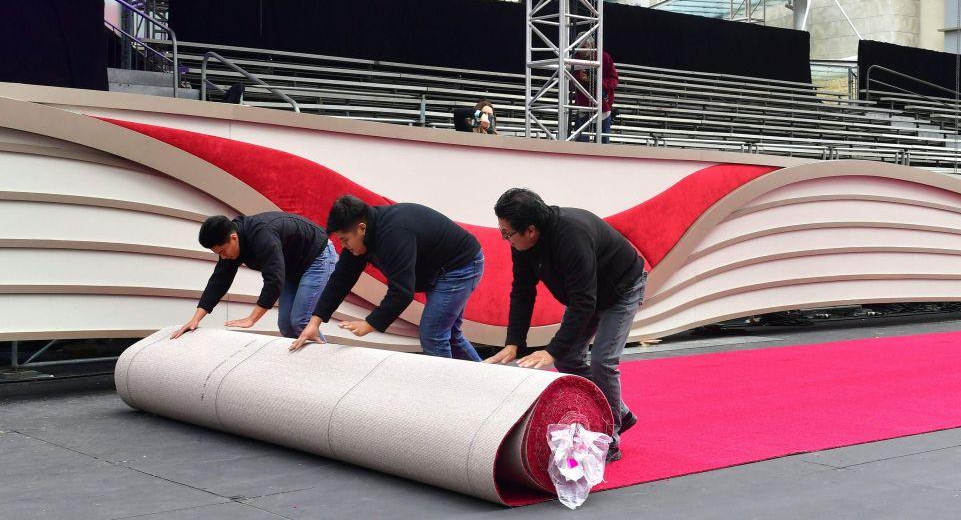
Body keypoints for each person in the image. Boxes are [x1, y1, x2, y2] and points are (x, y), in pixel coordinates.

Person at [485, 188, 645, 462]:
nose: (505, 239)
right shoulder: (522, 245)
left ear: (531, 230)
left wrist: (551, 350)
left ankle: (610, 439)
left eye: (507, 233)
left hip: (622, 289)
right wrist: (514, 343)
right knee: (569, 358)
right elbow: (523, 291)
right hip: (589, 294)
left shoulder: (571, 236)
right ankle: (620, 412)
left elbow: (583, 301)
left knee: (603, 360)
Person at [290, 195, 484, 360]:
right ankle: (486, 384)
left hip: (460, 266)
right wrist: (314, 322)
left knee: (433, 334)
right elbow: (340, 279)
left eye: (344, 239)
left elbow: (402, 292)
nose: (343, 245)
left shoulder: (393, 234)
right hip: (440, 266)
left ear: (361, 228)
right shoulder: (361, 238)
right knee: (449, 335)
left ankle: (446, 396)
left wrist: (370, 324)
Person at [172, 213, 337, 340]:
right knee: (286, 325)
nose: (222, 257)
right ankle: (303, 369)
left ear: (233, 238)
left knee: (301, 321)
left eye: (222, 251)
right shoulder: (232, 244)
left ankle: (328, 369)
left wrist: (252, 319)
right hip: (294, 267)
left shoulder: (262, 235)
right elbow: (219, 281)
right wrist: (196, 319)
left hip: (318, 257)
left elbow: (274, 280)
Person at [573, 37, 618, 143]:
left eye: (584, 47)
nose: (582, 51)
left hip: (602, 106)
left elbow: (614, 80)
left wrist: (597, 81)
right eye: (580, 47)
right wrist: (577, 76)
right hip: (583, 106)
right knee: (581, 142)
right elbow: (567, 82)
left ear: (592, 46)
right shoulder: (573, 59)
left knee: (603, 142)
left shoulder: (604, 57)